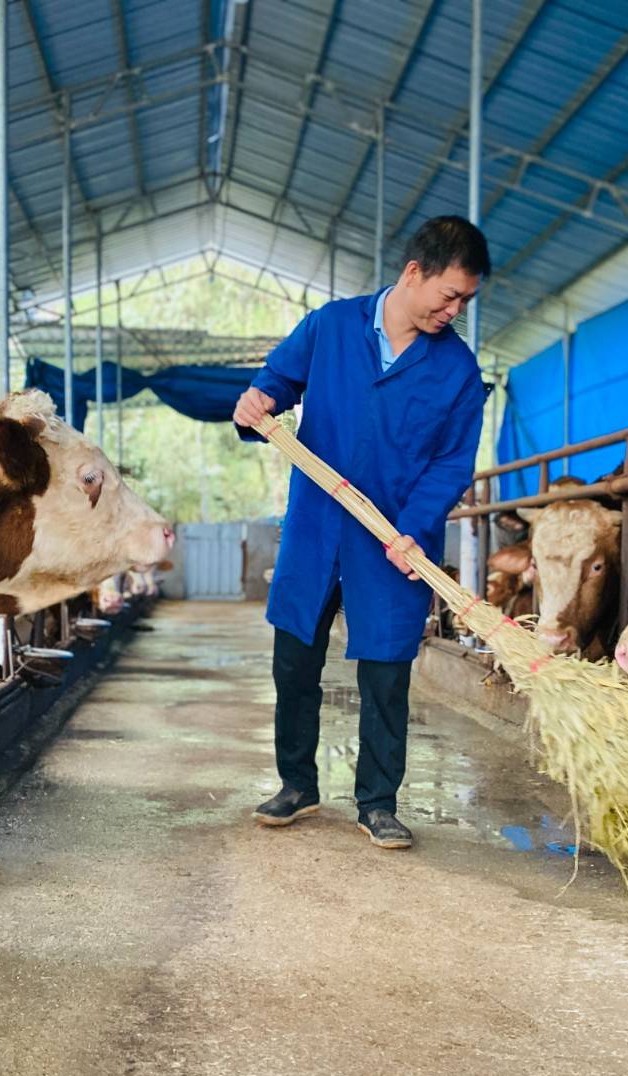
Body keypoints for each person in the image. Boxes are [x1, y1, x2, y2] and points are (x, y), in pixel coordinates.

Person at [233, 215, 491, 850]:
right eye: (449, 295)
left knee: (386, 674)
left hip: (393, 541)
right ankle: (297, 785)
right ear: (413, 272)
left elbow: (450, 464)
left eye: (466, 301)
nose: (455, 312)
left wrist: (414, 530)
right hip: (316, 527)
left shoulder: (458, 370)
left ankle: (377, 802)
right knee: (294, 661)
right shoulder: (331, 326)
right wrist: (258, 401)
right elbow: (277, 381)